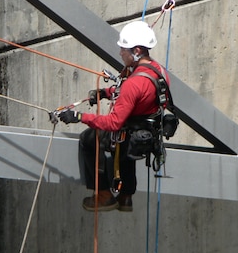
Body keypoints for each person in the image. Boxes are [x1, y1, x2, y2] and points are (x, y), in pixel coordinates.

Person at [59, 20, 170, 212]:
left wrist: (78, 116)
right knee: (127, 147)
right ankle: (126, 197)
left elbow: (113, 122)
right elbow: (136, 95)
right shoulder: (158, 71)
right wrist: (106, 92)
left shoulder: (133, 84)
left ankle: (103, 194)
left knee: (89, 139)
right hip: (146, 131)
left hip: (129, 131)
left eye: (123, 50)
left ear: (136, 51)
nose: (120, 53)